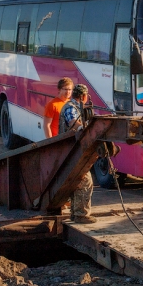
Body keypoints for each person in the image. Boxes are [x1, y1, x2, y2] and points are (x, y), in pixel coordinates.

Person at [59, 84, 96, 224]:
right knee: (85, 180)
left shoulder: (74, 106)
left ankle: (75, 213)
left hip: (69, 151)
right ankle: (81, 215)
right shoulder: (71, 108)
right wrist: (84, 128)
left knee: (77, 182)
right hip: (70, 151)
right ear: (83, 96)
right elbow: (73, 122)